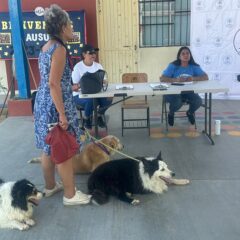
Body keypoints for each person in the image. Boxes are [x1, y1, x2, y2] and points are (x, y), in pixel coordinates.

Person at [34, 4, 91, 206]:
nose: (72, 28)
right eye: (70, 24)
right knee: (63, 148)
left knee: (48, 147)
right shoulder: (59, 50)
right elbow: (53, 83)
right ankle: (70, 194)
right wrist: (62, 115)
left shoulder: (46, 46)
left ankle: (50, 187)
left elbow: (54, 80)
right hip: (55, 106)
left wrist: (70, 85)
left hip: (43, 103)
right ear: (62, 27)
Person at [160, 46, 209, 126]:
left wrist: (193, 78)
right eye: (183, 54)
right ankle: (171, 113)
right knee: (178, 102)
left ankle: (190, 112)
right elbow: (162, 78)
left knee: (198, 101)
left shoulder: (194, 66)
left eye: (187, 53)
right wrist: (176, 80)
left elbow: (205, 77)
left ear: (190, 55)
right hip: (173, 92)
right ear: (179, 56)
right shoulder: (173, 66)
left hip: (188, 92)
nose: (186, 55)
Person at [72, 45, 112, 129]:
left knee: (109, 98)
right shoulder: (78, 67)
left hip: (97, 93)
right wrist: (85, 84)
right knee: (91, 100)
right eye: (90, 53)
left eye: (94, 53)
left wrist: (103, 81)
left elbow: (104, 81)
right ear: (84, 55)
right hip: (80, 95)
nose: (93, 55)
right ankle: (87, 118)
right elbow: (75, 86)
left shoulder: (98, 66)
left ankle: (99, 115)